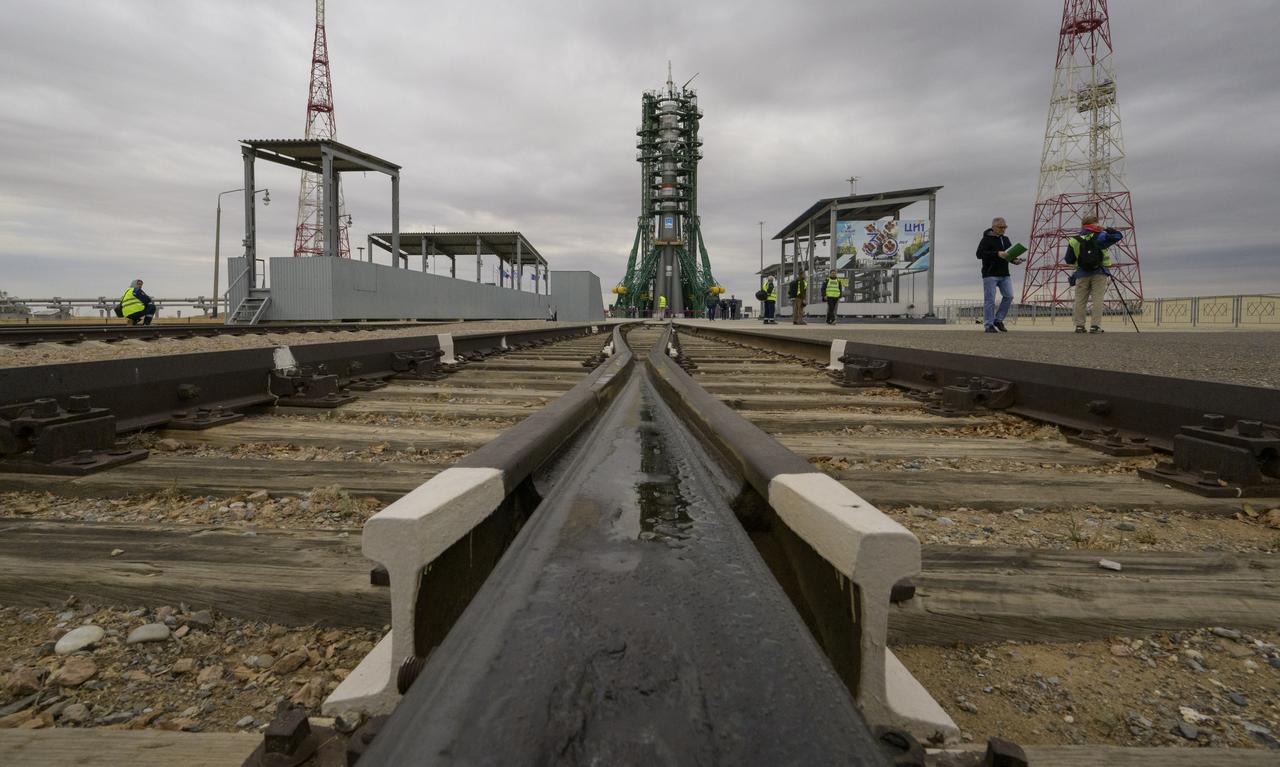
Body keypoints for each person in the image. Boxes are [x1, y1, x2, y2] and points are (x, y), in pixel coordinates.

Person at [1065, 213, 1124, 333]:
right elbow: (1118, 236)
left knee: (1080, 300)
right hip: (1100, 272)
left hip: (1081, 273)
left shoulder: (1073, 240)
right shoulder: (1101, 236)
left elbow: (1068, 259)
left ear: (1082, 226)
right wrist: (1105, 228)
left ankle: (1079, 326)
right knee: (1097, 299)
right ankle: (1095, 326)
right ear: (1096, 224)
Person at [975, 217, 1022, 333]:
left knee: (1009, 296)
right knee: (990, 300)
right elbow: (979, 254)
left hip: (1004, 273)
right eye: (1001, 227)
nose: (1003, 229)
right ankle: (988, 325)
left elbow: (1009, 254)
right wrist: (997, 254)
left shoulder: (1006, 239)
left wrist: (1014, 260)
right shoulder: (986, 239)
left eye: (1005, 227)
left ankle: (998, 320)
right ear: (994, 227)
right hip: (990, 273)